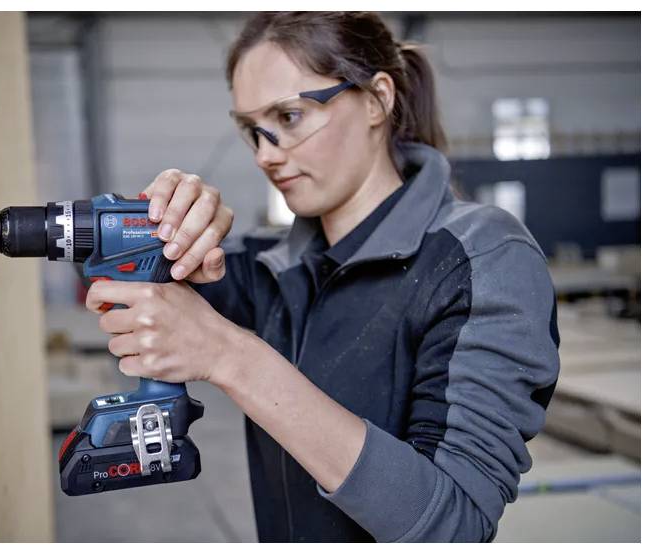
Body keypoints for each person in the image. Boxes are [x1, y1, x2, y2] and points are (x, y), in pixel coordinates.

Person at [85, 12, 560, 542]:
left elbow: (453, 526)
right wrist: (165, 217)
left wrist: (230, 356)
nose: (266, 154)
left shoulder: (482, 258)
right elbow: (152, 282)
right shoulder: (270, 266)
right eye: (251, 130)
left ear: (377, 99)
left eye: (289, 117)